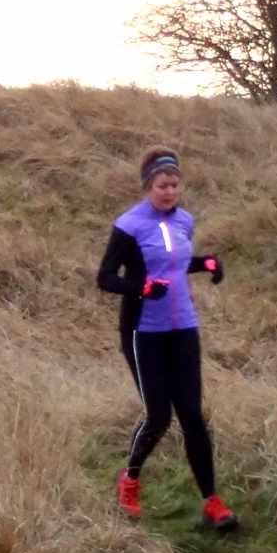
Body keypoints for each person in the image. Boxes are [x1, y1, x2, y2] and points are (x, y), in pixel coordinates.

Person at [96, 146, 237, 531]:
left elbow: (175, 264)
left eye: (175, 184)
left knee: (192, 414)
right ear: (148, 186)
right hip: (145, 333)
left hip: (184, 329)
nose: (170, 192)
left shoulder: (184, 221)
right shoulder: (129, 225)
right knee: (159, 416)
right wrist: (141, 289)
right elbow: (106, 277)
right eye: (162, 185)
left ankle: (212, 502)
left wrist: (206, 263)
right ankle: (130, 481)